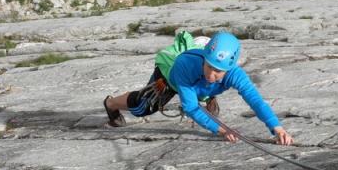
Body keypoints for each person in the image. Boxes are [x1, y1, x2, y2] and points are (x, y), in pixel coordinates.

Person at [103, 31, 294, 145]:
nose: (212, 74)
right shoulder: (185, 65)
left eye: (218, 71)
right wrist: (221, 131)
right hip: (173, 75)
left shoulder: (235, 74)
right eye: (210, 67)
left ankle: (208, 94)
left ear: (229, 68)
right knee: (143, 108)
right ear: (204, 58)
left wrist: (276, 128)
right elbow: (191, 107)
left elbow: (255, 100)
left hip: (197, 80)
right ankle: (111, 103)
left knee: (208, 96)